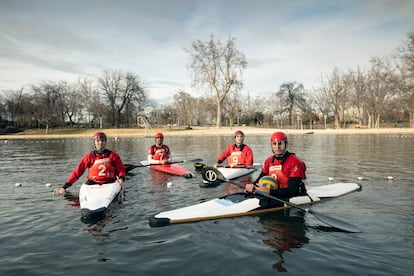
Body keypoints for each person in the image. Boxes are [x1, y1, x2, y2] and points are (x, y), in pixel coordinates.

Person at [245, 131, 307, 208]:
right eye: (274, 144)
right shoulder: (269, 161)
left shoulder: (295, 162)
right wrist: (252, 186)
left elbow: (293, 190)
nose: (277, 147)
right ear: (271, 145)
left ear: (286, 144)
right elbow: (259, 179)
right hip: (273, 193)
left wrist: (268, 191)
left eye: (280, 143)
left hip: (291, 195)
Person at [53, 132, 126, 195]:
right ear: (94, 142)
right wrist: (64, 187)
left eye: (103, 140)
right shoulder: (89, 157)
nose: (100, 143)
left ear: (105, 142)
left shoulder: (113, 156)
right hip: (92, 185)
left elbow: (120, 169)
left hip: (110, 184)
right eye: (98, 141)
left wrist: (121, 178)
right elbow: (78, 172)